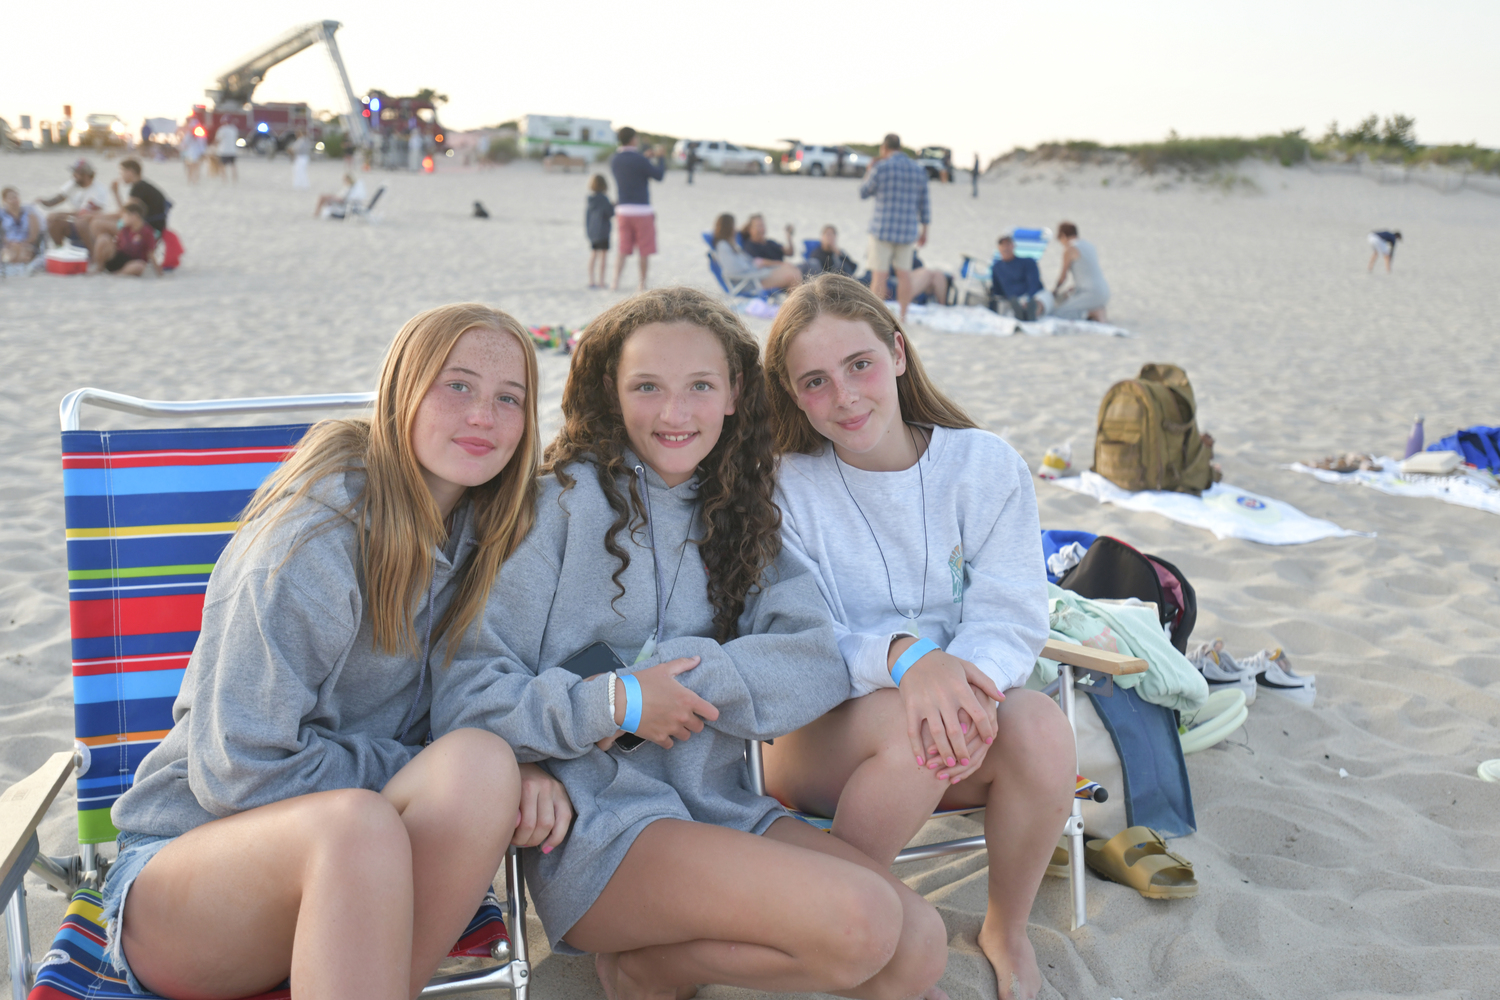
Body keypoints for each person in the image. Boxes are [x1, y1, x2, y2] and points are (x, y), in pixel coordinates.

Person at [433, 287, 947, 1000]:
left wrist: (688, 682)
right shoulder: (554, 507)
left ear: (735, 392)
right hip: (599, 829)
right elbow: (467, 693)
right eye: (647, 386)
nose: (674, 413)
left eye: (699, 386)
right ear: (611, 392)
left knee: (918, 948)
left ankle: (662, 968)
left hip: (721, 805)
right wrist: (618, 701)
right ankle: (650, 968)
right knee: (861, 924)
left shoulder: (741, 513)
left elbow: (814, 658)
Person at [98, 303, 562, 1000]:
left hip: (360, 894)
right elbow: (236, 772)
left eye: (509, 399)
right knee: (359, 826)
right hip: (189, 888)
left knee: (479, 767)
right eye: (456, 385)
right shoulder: (310, 544)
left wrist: (523, 762)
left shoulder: (492, 536)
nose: (483, 418)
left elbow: (488, 704)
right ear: (401, 390)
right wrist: (408, 768)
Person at [762, 274, 1076, 1000]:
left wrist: (963, 686)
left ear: (898, 354)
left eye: (860, 365)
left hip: (957, 718)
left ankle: (1006, 928)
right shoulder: (786, 486)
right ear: (792, 394)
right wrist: (911, 661)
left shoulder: (983, 465)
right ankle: (857, 942)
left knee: (1043, 726)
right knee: (918, 727)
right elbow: (800, 636)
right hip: (821, 730)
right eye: (815, 381)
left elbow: (1012, 612)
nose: (844, 396)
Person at [859, 133, 931, 322]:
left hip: (882, 229)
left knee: (879, 275)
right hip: (907, 231)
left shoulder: (881, 168)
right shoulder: (917, 170)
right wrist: (925, 230)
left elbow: (864, 192)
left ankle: (877, 317)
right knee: (904, 275)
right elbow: (925, 204)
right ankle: (903, 315)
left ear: (884, 148)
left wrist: (869, 170)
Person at [609, 126, 665, 291]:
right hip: (642, 210)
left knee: (623, 248)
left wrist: (643, 158)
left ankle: (615, 282)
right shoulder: (640, 160)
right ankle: (642, 283)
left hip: (623, 209)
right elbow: (659, 175)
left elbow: (631, 167)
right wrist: (661, 158)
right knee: (644, 249)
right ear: (633, 139)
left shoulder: (614, 159)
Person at [712, 213, 802, 292]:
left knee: (794, 271)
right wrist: (754, 266)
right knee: (793, 276)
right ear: (727, 227)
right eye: (733, 226)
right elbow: (734, 270)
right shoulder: (723, 246)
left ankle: (792, 307)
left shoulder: (729, 245)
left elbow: (745, 262)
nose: (735, 229)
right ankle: (793, 309)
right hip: (750, 282)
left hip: (754, 276)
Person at [37, 159, 110, 247]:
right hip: (77, 223)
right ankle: (59, 249)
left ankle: (92, 255)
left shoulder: (99, 190)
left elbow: (84, 213)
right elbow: (59, 198)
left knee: (81, 222)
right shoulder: (74, 184)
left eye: (76, 173)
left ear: (86, 175)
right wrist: (44, 202)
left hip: (91, 227)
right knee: (53, 221)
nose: (73, 175)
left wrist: (60, 214)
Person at [1051, 221, 1110, 321]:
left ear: (1064, 236)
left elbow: (1063, 277)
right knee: (1071, 300)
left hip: (1091, 293)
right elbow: (1088, 272)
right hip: (1104, 291)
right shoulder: (1090, 246)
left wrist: (1054, 291)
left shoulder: (1070, 249)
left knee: (1058, 313)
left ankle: (1093, 313)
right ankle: (1096, 310)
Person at [989, 236, 1052, 320]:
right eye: (1002, 245)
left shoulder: (1028, 262)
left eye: (1008, 244)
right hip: (1013, 300)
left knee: (1043, 300)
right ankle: (1024, 313)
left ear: (1013, 246)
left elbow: (1034, 283)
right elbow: (998, 290)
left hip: (1034, 295)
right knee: (1011, 306)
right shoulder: (996, 268)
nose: (1005, 248)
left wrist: (1028, 299)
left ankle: (1031, 311)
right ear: (999, 248)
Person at [94, 201, 158, 276]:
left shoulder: (147, 232)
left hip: (132, 262)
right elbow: (117, 243)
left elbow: (150, 253)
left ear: (134, 216)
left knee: (139, 266)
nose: (123, 219)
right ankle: (99, 268)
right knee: (103, 238)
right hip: (118, 257)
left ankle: (117, 274)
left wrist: (159, 272)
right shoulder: (125, 229)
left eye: (125, 216)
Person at [1, 187, 44, 266]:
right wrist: (9, 243)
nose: (14, 200)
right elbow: (1, 235)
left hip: (26, 243)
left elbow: (34, 235)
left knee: (22, 254)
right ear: (4, 200)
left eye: (15, 197)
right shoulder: (2, 215)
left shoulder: (30, 213)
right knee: (10, 254)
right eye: (10, 198)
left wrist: (24, 243)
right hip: (9, 244)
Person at [586, 174, 614, 289]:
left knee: (593, 254)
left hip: (592, 231)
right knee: (603, 256)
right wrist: (613, 206)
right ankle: (601, 281)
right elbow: (610, 213)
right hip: (603, 231)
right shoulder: (603, 198)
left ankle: (591, 280)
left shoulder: (590, 199)